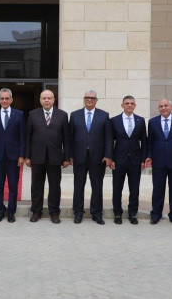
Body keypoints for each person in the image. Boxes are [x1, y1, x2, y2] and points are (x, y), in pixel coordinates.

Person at [25, 90, 71, 223]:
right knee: (36, 186)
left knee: (55, 186)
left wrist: (67, 157)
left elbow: (66, 138)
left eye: (49, 98)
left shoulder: (62, 115)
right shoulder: (33, 114)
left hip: (55, 157)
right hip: (37, 157)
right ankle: (36, 211)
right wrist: (27, 156)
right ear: (40, 100)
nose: (46, 100)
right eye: (44, 98)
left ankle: (54, 212)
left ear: (53, 100)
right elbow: (28, 137)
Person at [144, 99, 172, 225]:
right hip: (158, 162)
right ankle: (156, 214)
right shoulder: (152, 122)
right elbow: (150, 142)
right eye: (161, 106)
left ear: (171, 107)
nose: (163, 108)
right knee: (158, 190)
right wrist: (149, 156)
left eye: (166, 106)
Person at [68, 90, 112, 224]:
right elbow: (70, 137)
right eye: (87, 97)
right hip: (79, 157)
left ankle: (96, 213)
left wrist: (108, 155)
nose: (89, 100)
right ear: (83, 99)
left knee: (97, 187)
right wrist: (69, 155)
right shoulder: (74, 115)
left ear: (96, 100)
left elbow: (108, 138)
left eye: (92, 98)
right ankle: (78, 213)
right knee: (78, 186)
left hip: (98, 158)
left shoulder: (104, 115)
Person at [0, 88, 25, 223]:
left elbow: (22, 136)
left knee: (13, 186)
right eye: (2, 98)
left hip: (13, 157)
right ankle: (0, 210)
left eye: (7, 98)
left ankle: (11, 211)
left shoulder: (19, 115)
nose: (4, 100)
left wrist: (21, 155)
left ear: (11, 100)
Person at [110, 95, 147, 225]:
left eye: (132, 103)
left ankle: (132, 214)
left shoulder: (140, 120)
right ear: (122, 105)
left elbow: (144, 141)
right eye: (127, 103)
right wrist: (111, 158)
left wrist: (143, 160)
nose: (129, 105)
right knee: (117, 188)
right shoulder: (114, 120)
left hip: (135, 161)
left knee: (134, 189)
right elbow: (110, 141)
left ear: (135, 105)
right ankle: (117, 214)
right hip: (118, 160)